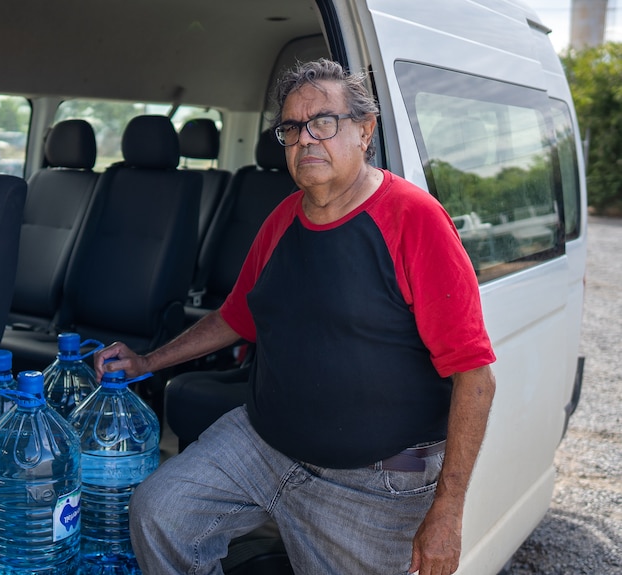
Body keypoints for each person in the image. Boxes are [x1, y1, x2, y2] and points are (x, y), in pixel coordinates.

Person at [94, 58, 496, 575]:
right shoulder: (283, 218)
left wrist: (448, 511)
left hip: (375, 478)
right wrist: (149, 360)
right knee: (160, 513)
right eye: (291, 128)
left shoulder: (414, 220)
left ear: (364, 130)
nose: (306, 139)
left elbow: (475, 376)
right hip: (264, 442)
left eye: (323, 122)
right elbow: (235, 317)